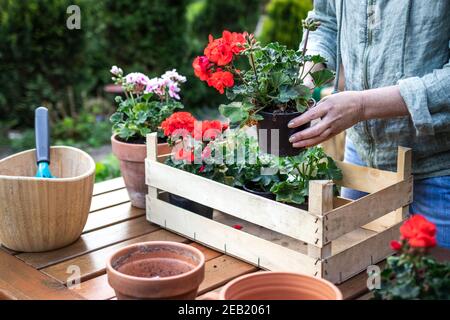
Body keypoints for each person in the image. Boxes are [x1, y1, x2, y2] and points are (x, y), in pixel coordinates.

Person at [288, 0, 450, 248]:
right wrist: (308, 78)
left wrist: (362, 106)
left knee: (431, 282)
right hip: (361, 155)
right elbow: (325, 22)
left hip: (437, 170)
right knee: (355, 274)